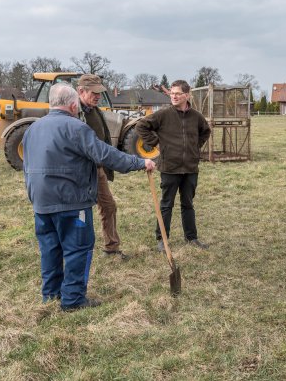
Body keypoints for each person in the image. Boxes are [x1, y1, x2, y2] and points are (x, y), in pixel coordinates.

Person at [23, 83, 155, 312]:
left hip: (41, 202)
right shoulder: (76, 128)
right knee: (77, 248)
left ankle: (51, 294)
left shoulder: (33, 129)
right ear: (74, 105)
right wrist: (139, 162)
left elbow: (27, 164)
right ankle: (73, 299)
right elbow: (106, 154)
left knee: (50, 248)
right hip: (71, 201)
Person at [135, 79, 211, 251]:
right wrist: (156, 143)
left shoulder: (196, 116)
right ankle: (162, 239)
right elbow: (141, 126)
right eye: (172, 93)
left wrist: (194, 147)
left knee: (188, 204)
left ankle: (191, 238)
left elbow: (205, 131)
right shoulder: (163, 114)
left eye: (178, 93)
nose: (174, 96)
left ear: (187, 95)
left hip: (190, 168)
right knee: (166, 204)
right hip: (169, 167)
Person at [76, 74, 131, 260]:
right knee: (78, 212)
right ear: (81, 91)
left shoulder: (94, 110)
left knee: (109, 206)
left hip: (97, 170)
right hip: (79, 172)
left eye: (100, 92)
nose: (98, 96)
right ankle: (75, 251)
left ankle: (111, 248)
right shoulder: (73, 112)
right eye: (94, 92)